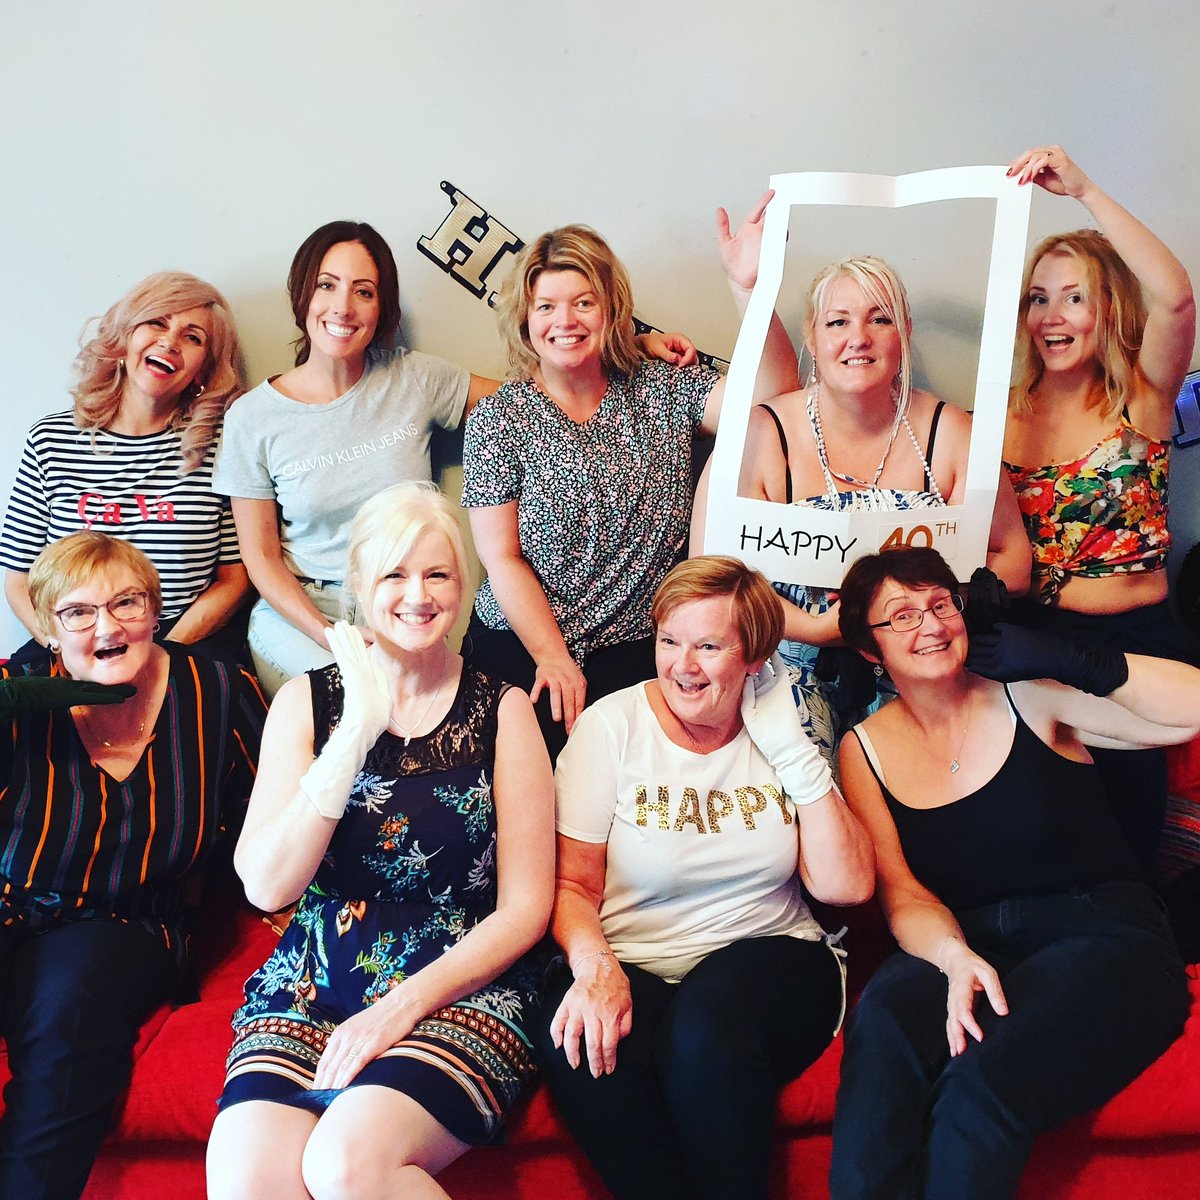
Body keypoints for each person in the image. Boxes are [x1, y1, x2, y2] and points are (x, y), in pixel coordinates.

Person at [207, 482, 554, 1200]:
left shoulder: (504, 709)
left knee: (344, 1167)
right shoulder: (306, 703)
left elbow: (527, 909)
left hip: (459, 987)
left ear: (462, 587)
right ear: (360, 589)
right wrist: (357, 728)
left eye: (438, 574)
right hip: (314, 982)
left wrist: (397, 1011)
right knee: (247, 1182)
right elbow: (268, 886)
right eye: (394, 574)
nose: (417, 595)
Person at [828, 546, 1194, 1200]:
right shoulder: (864, 748)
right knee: (884, 1012)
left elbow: (1193, 709)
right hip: (971, 944)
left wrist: (1072, 659)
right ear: (868, 650)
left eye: (942, 605)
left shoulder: (1029, 693)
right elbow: (905, 895)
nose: (932, 626)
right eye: (902, 616)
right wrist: (951, 957)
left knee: (979, 1082)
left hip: (1102, 940)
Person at [213, 220, 689, 699]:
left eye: (364, 291)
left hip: (405, 601)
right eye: (327, 285)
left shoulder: (415, 379)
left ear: (383, 308)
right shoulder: (253, 418)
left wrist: (622, 350)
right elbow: (261, 558)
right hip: (302, 614)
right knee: (360, 698)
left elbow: (542, 396)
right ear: (302, 295)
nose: (343, 306)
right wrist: (330, 635)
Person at [534, 555, 874, 1200]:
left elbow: (848, 887)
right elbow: (573, 887)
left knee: (706, 1032)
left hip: (771, 954)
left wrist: (790, 748)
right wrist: (595, 969)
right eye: (669, 641)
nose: (682, 666)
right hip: (632, 955)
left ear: (754, 656)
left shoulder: (790, 720)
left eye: (709, 646)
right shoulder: (611, 726)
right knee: (579, 1045)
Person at [462, 197, 796, 760]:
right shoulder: (499, 417)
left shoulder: (661, 385)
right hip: (524, 645)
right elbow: (502, 558)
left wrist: (751, 287)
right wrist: (552, 656)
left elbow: (773, 398)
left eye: (583, 303)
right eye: (545, 307)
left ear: (612, 310)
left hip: (640, 649)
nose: (564, 322)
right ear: (524, 319)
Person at [0, 531, 264, 1200]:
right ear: (50, 630)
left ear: (155, 609)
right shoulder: (21, 691)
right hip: (13, 910)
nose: (108, 625)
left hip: (130, 925)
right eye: (79, 612)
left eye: (127, 602)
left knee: (69, 996)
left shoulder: (215, 690)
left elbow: (277, 813)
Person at [712, 254, 1030, 763]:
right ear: (812, 338)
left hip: (922, 662)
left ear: (903, 335)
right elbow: (710, 574)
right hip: (785, 664)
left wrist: (919, 615)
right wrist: (816, 629)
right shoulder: (759, 433)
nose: (857, 337)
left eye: (879, 319)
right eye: (838, 322)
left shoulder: (952, 433)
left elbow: (1013, 560)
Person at [1002, 145, 1198, 870]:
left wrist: (1083, 190)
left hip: (1134, 645)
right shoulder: (998, 414)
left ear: (1108, 306)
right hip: (1027, 641)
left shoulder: (1141, 397)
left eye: (1074, 297)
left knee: (1126, 847)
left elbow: (1176, 297)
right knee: (1043, 840)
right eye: (1039, 297)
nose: (1052, 315)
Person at [2, 272, 251, 662]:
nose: (169, 342)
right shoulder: (50, 440)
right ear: (124, 340)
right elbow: (18, 578)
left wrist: (159, 652)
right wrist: (61, 644)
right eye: (157, 322)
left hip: (181, 639)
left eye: (192, 336)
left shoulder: (222, 448)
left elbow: (233, 579)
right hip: (75, 638)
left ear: (202, 369)